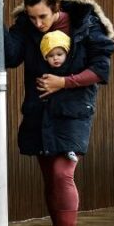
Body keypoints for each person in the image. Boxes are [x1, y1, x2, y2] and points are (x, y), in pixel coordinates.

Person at [4, 0, 114, 226]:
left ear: (56, 8)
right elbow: (11, 58)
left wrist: (63, 82)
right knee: (49, 178)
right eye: (32, 18)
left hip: (73, 112)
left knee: (62, 174)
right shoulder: (26, 27)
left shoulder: (86, 24)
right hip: (38, 111)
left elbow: (101, 70)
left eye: (43, 16)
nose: (38, 23)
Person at [39, 30, 79, 162]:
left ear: (67, 53)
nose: (55, 58)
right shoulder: (44, 72)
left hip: (68, 109)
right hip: (51, 109)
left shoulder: (73, 69)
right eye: (50, 56)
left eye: (59, 54)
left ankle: (70, 149)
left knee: (67, 128)